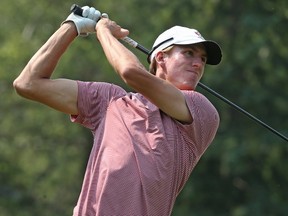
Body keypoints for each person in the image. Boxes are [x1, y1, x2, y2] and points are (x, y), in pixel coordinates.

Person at [13, 5, 222, 216]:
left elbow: (130, 71)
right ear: (160, 58)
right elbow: (28, 83)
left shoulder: (200, 110)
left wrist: (103, 30)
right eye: (189, 53)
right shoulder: (109, 100)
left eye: (202, 59)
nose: (198, 64)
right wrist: (72, 27)